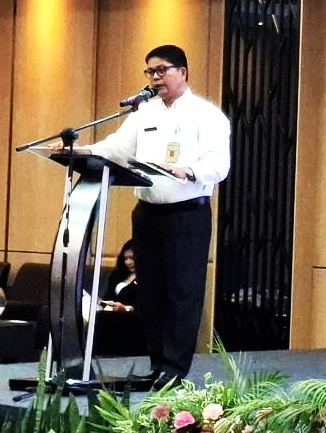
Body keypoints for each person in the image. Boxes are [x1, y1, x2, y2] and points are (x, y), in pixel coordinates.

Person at [87, 44, 230, 388]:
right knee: (150, 292)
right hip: (147, 214)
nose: (155, 78)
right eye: (150, 72)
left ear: (183, 72)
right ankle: (156, 363)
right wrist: (80, 151)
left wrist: (188, 171)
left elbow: (219, 165)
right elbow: (116, 147)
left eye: (162, 70)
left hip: (187, 214)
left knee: (182, 292)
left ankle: (174, 368)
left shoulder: (207, 115)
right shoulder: (144, 113)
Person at [98, 240, 138, 311]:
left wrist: (126, 308)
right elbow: (108, 295)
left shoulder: (146, 278)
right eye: (125, 259)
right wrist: (104, 303)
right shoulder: (116, 275)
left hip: (132, 315)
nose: (128, 262)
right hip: (111, 313)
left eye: (131, 258)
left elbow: (144, 304)